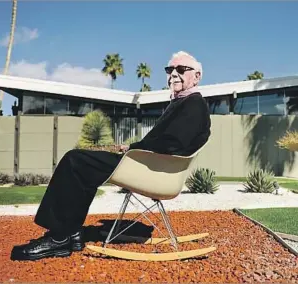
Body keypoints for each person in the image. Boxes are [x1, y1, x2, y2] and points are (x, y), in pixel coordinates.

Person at [11, 51, 211, 261]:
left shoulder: (193, 103)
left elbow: (173, 143)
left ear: (196, 77)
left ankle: (60, 237)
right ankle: (71, 232)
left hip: (155, 170)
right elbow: (169, 142)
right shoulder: (182, 103)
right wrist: (131, 149)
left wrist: (133, 149)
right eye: (170, 70)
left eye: (181, 70)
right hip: (150, 165)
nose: (173, 75)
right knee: (82, 165)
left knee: (75, 161)